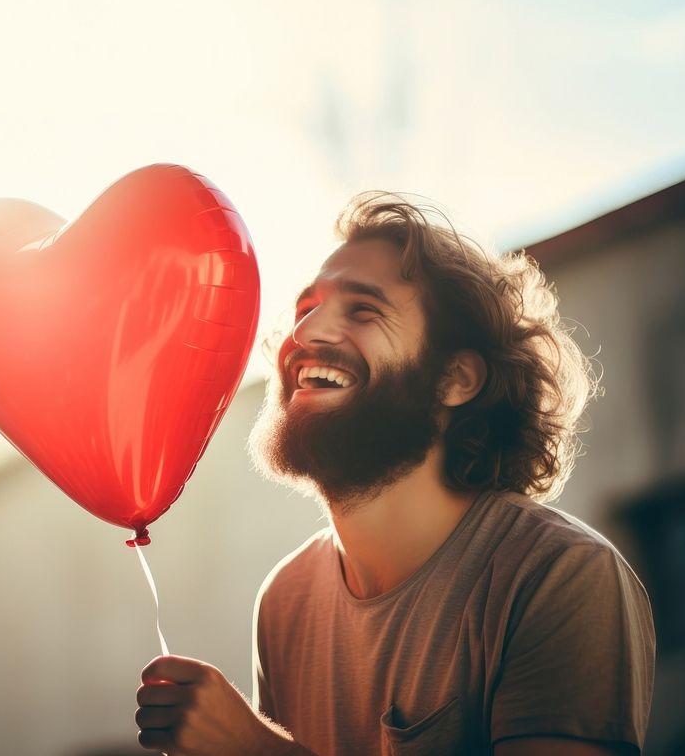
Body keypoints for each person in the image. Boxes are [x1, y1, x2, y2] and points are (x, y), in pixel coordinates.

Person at [135, 193, 655, 756]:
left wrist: (257, 750)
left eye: (362, 311)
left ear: (457, 378)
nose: (305, 334)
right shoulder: (285, 600)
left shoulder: (559, 576)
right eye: (305, 308)